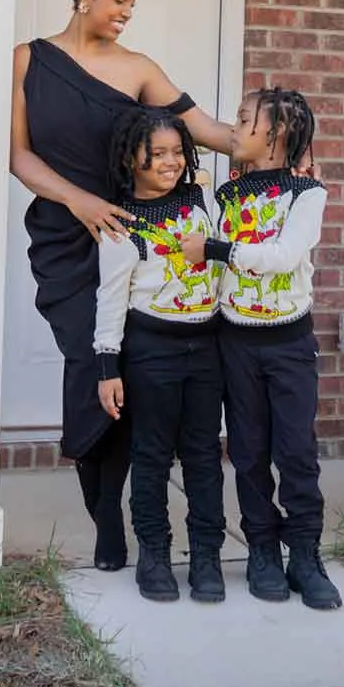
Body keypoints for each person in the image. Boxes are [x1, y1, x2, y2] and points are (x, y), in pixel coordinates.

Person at [8, 0, 237, 572]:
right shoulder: (29, 61)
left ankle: (128, 522)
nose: (127, 12)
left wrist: (279, 147)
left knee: (131, 374)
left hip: (136, 242)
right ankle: (105, 520)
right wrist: (79, 201)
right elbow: (19, 155)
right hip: (65, 236)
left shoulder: (139, 68)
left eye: (133, 3)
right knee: (90, 366)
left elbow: (208, 131)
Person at [181, 86, 340, 610]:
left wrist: (219, 249)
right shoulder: (224, 196)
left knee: (295, 452)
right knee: (248, 452)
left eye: (244, 119)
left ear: (276, 134)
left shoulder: (306, 195)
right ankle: (263, 552)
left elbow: (283, 254)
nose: (233, 126)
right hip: (236, 344)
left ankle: (306, 555)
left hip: (288, 343)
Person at [92, 107, 228, 603]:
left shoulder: (202, 200)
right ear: (132, 158)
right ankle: (154, 553)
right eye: (158, 154)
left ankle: (207, 555)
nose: (171, 162)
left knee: (204, 454)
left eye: (178, 152)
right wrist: (108, 367)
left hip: (207, 346)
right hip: (151, 350)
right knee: (149, 456)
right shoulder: (119, 224)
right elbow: (110, 298)